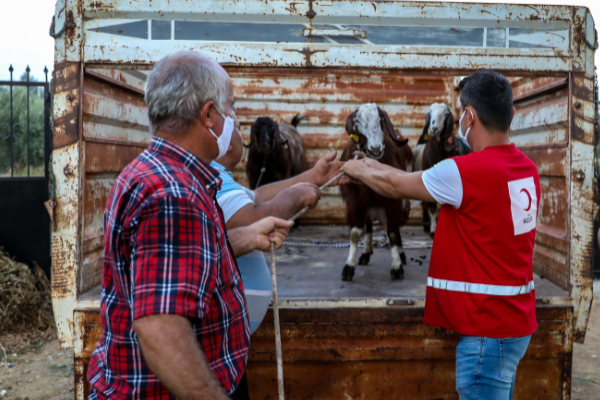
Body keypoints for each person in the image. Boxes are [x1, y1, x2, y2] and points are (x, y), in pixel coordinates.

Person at [87, 51, 294, 400]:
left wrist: (240, 238)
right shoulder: (174, 194)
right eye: (230, 109)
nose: (233, 119)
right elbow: (160, 327)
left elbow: (170, 265)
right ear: (209, 115)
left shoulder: (152, 172)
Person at [340, 70, 539, 400]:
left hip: (485, 333)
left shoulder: (465, 172)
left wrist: (355, 166)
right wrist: (370, 167)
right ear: (512, 115)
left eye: (461, 112)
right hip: (514, 322)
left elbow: (395, 184)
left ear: (469, 116)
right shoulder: (526, 169)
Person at [212, 118, 341, 333]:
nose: (238, 127)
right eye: (234, 124)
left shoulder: (220, 175)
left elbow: (257, 195)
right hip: (222, 334)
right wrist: (295, 196)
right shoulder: (212, 176)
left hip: (231, 333)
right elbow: (252, 220)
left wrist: (313, 177)